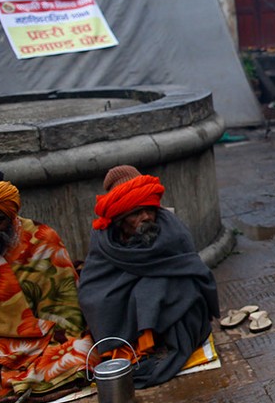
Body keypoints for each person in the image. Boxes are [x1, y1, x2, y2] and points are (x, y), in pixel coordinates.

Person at [0, 170, 91, 403]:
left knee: (84, 351)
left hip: (41, 345)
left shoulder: (41, 239)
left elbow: (68, 316)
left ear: (11, 216)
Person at [77, 165, 220, 388]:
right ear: (120, 219)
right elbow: (93, 286)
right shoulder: (105, 240)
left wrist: (151, 290)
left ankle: (165, 340)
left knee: (162, 289)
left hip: (169, 302)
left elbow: (191, 269)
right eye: (136, 213)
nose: (146, 217)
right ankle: (136, 343)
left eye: (149, 209)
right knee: (102, 299)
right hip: (127, 306)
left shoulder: (172, 230)